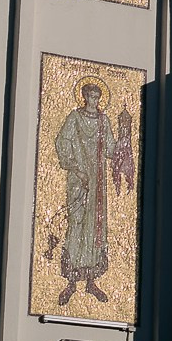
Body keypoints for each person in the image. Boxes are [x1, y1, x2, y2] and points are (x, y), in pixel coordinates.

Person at [54, 79, 121, 305]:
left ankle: (91, 281)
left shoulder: (104, 121)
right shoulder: (74, 118)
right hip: (79, 178)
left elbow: (111, 149)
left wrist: (124, 141)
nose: (93, 100)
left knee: (95, 226)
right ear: (84, 96)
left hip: (98, 182)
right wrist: (74, 167)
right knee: (77, 223)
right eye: (90, 96)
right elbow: (62, 142)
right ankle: (71, 282)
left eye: (96, 97)